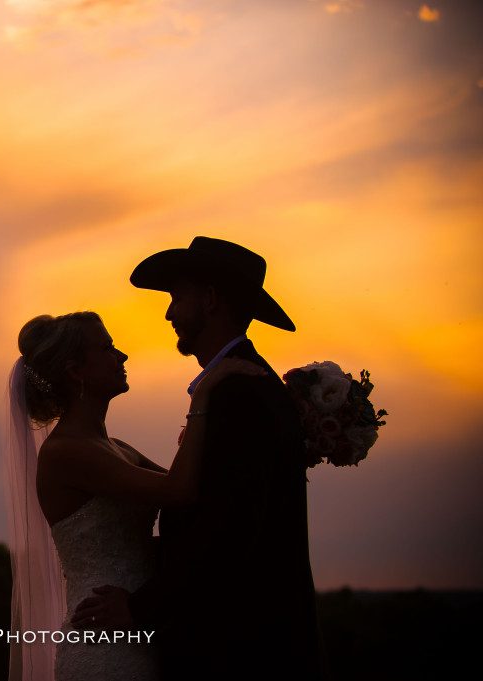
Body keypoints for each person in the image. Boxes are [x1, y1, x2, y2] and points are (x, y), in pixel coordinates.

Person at [69, 237, 323, 681]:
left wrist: (141, 607)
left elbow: (228, 527)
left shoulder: (239, 392)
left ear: (209, 300)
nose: (168, 313)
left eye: (176, 297)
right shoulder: (238, 385)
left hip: (238, 648)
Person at [3, 310, 263, 681]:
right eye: (108, 347)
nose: (121, 356)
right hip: (103, 643)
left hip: (141, 628)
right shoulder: (67, 452)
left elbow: (204, 488)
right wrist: (203, 395)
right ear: (76, 370)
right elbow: (178, 489)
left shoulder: (116, 448)